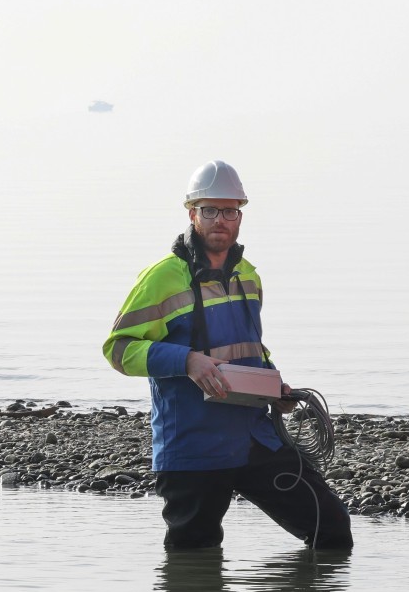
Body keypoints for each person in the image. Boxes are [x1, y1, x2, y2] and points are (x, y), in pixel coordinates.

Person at [105, 160, 352, 552]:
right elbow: (119, 349)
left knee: (333, 531)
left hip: (255, 437)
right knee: (194, 561)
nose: (221, 219)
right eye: (210, 210)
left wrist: (275, 386)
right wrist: (187, 361)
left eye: (230, 211)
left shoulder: (249, 276)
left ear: (240, 215)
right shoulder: (161, 277)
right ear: (192, 213)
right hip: (193, 446)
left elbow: (251, 347)